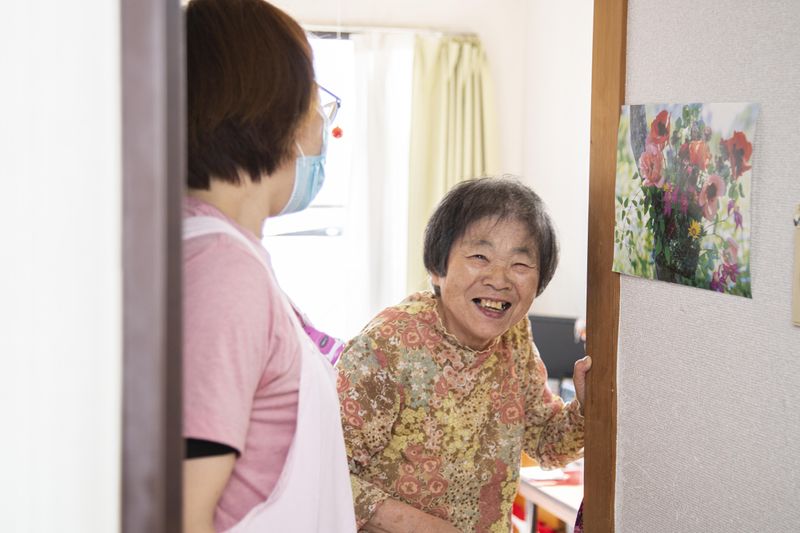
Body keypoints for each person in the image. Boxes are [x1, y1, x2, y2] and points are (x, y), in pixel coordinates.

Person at [181, 1, 356, 532]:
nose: (321, 126)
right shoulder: (223, 271)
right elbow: (184, 510)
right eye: (316, 102)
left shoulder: (222, 254)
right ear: (280, 110)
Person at [336, 177, 592, 532]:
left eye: (520, 265)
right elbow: (325, 474)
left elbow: (547, 442)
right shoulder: (385, 348)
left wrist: (586, 407)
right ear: (437, 268)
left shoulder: (514, 335)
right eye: (479, 257)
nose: (499, 280)